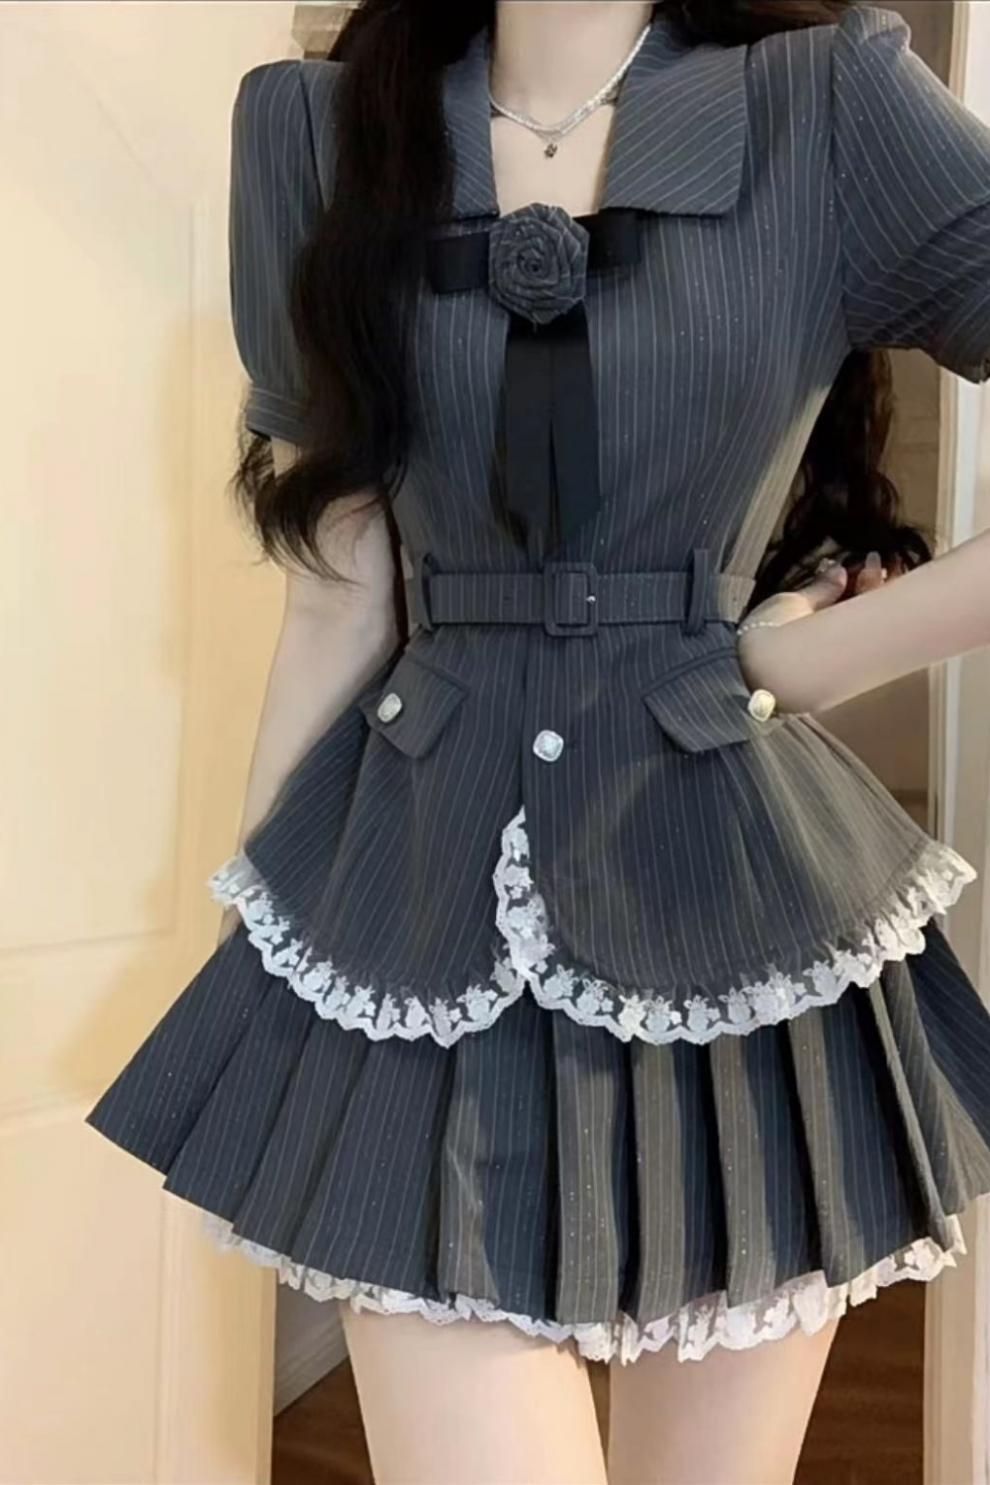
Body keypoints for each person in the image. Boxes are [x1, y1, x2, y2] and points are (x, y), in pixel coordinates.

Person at [85, 1, 990, 1480]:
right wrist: (268, 937)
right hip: (415, 917)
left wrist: (801, 657)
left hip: (744, 933)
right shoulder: (319, 133)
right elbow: (340, 587)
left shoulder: (828, 107)